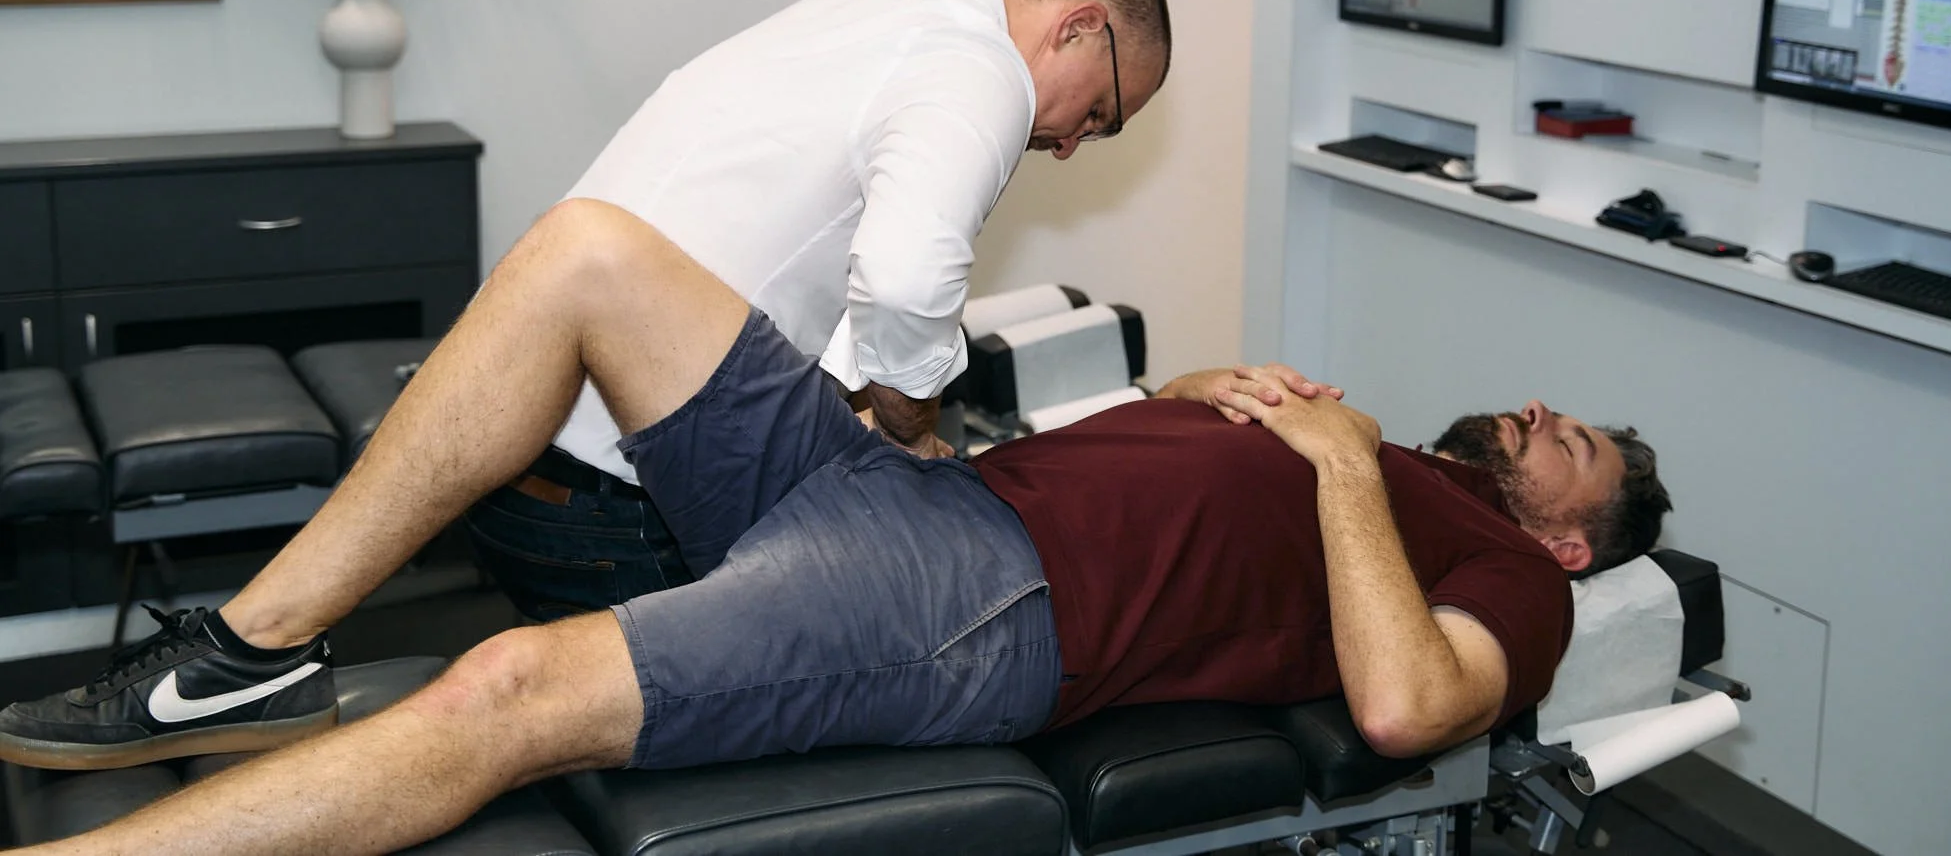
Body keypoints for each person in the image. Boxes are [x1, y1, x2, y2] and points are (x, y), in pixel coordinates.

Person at [0, 201, 1669, 856]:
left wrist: (1336, 464)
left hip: (977, 599)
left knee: (510, 684)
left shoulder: (1502, 578)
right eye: (1546, 405)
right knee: (591, 251)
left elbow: (1407, 704)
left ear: (1574, 543)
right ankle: (253, 642)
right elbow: (1169, 489)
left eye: (1568, 440)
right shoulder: (1363, 452)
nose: (1535, 413)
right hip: (919, 490)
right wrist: (1197, 398)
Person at [470, 0, 1172, 616]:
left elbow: (822, 261)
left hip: (511, 448)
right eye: (1098, 113)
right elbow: (904, 286)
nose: (1071, 144)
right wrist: (911, 432)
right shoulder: (986, 69)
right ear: (1080, 26)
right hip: (614, 502)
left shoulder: (888, 0)